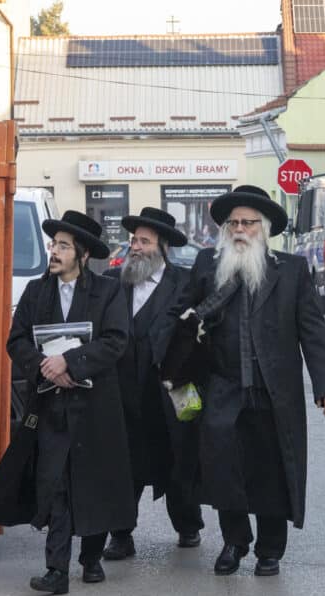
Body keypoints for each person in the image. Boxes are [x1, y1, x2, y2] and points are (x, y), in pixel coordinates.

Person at [162, 185, 325, 576]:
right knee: (224, 469)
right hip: (222, 387)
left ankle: (270, 549)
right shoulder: (208, 263)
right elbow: (180, 314)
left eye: (249, 223)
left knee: (272, 472)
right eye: (234, 223)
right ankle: (234, 542)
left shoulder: (291, 270)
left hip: (274, 391)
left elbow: (312, 330)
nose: (240, 229)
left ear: (265, 228)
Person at [0, 210, 136, 595]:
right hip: (51, 405)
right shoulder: (36, 292)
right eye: (54, 244)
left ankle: (91, 557)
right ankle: (56, 570)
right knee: (57, 483)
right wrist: (47, 368)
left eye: (63, 246)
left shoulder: (107, 291)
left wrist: (72, 363)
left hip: (95, 404)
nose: (54, 251)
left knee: (93, 480)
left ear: (82, 254)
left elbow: (115, 341)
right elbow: (16, 341)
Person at [101, 207, 204, 560]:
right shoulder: (116, 283)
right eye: (134, 240)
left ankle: (188, 524)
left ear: (162, 248)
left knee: (178, 460)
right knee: (123, 464)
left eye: (144, 241)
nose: (136, 247)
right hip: (124, 391)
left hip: (168, 391)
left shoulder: (185, 283)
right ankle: (121, 534)